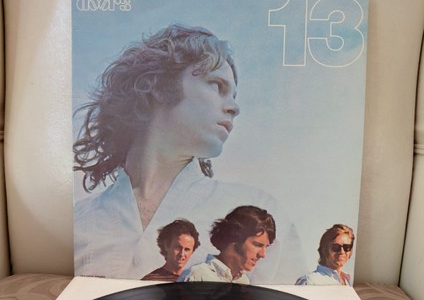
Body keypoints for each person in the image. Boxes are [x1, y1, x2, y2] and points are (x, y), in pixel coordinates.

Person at [73, 24, 304, 283]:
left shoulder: (259, 213)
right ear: (159, 86)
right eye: (217, 85)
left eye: (233, 94)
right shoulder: (78, 222)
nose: (234, 107)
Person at [182, 206, 276, 284]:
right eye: (257, 245)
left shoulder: (243, 282)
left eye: (266, 247)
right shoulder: (197, 276)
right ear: (235, 238)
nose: (263, 254)